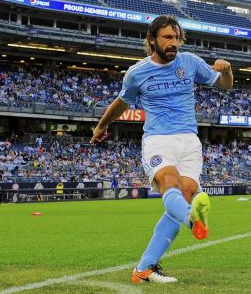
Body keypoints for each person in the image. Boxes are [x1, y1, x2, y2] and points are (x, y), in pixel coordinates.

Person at [90, 15, 233, 284]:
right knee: (170, 183)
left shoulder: (190, 62)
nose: (174, 43)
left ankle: (144, 268)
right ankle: (193, 220)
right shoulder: (137, 73)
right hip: (159, 139)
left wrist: (226, 71)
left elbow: (225, 86)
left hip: (190, 140)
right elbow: (121, 103)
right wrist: (100, 127)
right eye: (168, 37)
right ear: (152, 39)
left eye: (177, 38)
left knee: (186, 193)